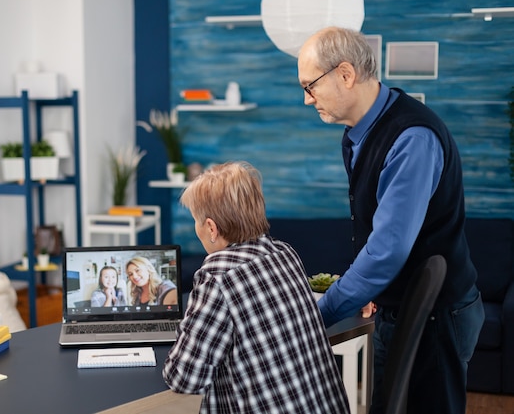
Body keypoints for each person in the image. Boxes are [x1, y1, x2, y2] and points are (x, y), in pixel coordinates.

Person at [297, 26, 485, 414]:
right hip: (399, 307)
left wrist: (318, 315)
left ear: (345, 74)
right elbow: (375, 230)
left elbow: (385, 251)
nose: (306, 99)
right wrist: (366, 291)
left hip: (436, 315)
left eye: (310, 86)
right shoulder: (357, 134)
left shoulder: (411, 139)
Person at [163, 161, 350, 414]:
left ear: (211, 228)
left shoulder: (217, 276)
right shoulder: (285, 253)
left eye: (196, 221)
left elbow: (184, 378)